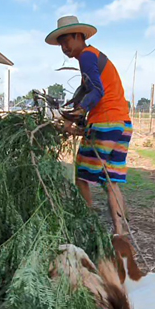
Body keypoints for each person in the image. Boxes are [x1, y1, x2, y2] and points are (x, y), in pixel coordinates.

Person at [45, 15, 132, 236]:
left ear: (79, 36)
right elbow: (92, 92)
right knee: (111, 180)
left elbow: (97, 92)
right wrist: (79, 121)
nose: (64, 47)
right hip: (122, 123)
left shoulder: (86, 56)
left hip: (106, 121)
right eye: (60, 43)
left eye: (67, 40)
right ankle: (119, 232)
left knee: (82, 176)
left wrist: (80, 111)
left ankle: (88, 225)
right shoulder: (95, 56)